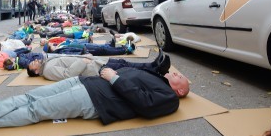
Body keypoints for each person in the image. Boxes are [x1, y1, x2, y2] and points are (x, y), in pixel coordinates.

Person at [0, 63, 188, 129]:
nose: (176, 73)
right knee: (31, 97)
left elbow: (145, 104)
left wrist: (115, 78)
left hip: (94, 99)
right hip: (85, 83)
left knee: (37, 110)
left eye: (180, 77)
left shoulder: (169, 98)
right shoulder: (158, 78)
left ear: (180, 91)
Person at [27, 49, 172, 81]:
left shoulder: (47, 62)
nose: (32, 62)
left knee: (123, 63)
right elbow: (68, 75)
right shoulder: (48, 71)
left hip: (94, 62)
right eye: (31, 66)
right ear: (35, 72)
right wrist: (83, 61)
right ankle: (156, 70)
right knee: (126, 69)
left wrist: (84, 56)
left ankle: (153, 64)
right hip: (93, 68)